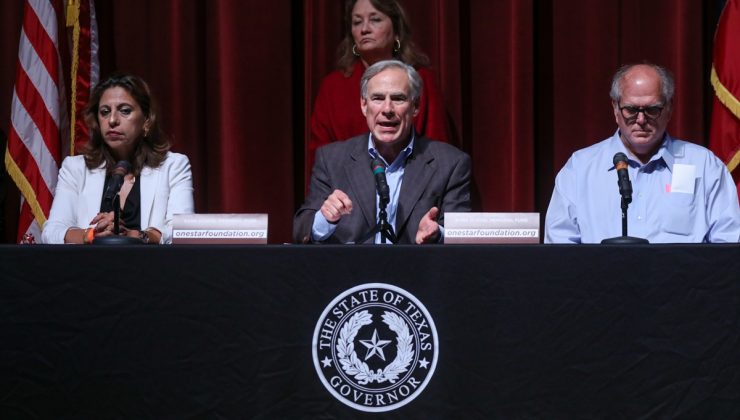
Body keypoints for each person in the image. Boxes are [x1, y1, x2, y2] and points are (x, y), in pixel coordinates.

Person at [545, 63, 740, 243]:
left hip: (682, 280)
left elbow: (728, 245)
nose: (640, 119)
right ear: (615, 108)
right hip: (600, 280)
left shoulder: (704, 166)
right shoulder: (580, 168)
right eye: (630, 110)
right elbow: (560, 249)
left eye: (652, 109)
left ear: (669, 108)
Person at [294, 60, 471, 244]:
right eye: (378, 98)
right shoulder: (331, 159)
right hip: (350, 271)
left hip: (417, 270)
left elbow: (460, 237)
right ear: (364, 105)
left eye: (398, 98)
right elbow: (302, 230)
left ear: (416, 106)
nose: (387, 109)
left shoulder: (451, 163)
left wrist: (437, 234)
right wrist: (325, 219)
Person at [41, 73, 194, 244]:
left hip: (150, 268)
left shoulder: (174, 166)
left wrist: (137, 236)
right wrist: (91, 235)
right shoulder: (75, 168)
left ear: (146, 120)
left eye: (125, 111)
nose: (112, 120)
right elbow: (51, 232)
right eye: (105, 112)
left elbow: (183, 232)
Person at [308, 0, 453, 172]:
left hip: (413, 191)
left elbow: (438, 153)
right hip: (347, 192)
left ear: (396, 30)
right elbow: (320, 158)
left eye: (375, 19)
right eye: (357, 22)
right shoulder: (332, 87)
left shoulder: (421, 80)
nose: (364, 29)